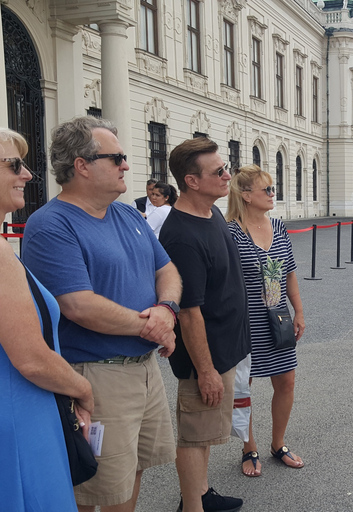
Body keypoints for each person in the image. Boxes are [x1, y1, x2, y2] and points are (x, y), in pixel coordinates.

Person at [22, 116, 180, 511]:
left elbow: (168, 270)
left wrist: (167, 310)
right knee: (98, 488)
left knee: (134, 471)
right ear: (82, 165)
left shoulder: (127, 214)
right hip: (97, 374)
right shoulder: (50, 224)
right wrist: (156, 327)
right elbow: (77, 305)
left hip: (144, 369)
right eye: (118, 157)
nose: (127, 164)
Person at [0, 128, 95, 511]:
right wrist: (83, 390)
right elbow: (32, 359)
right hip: (21, 418)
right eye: (15, 165)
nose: (27, 175)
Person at [160, 137, 250, 512]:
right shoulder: (181, 235)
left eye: (226, 166)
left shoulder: (211, 213)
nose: (228, 175)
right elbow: (188, 312)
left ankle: (201, 493)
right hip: (204, 357)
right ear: (191, 181)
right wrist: (206, 370)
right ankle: (192, 506)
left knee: (208, 429)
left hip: (224, 348)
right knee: (196, 434)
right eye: (219, 171)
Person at [226, 165, 306, 476]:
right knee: (243, 387)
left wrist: (298, 311)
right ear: (246, 196)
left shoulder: (279, 226)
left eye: (272, 189)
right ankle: (249, 447)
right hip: (244, 322)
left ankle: (278, 443)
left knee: (286, 381)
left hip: (277, 316)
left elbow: (289, 272)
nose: (273, 194)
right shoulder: (231, 231)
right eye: (266, 190)